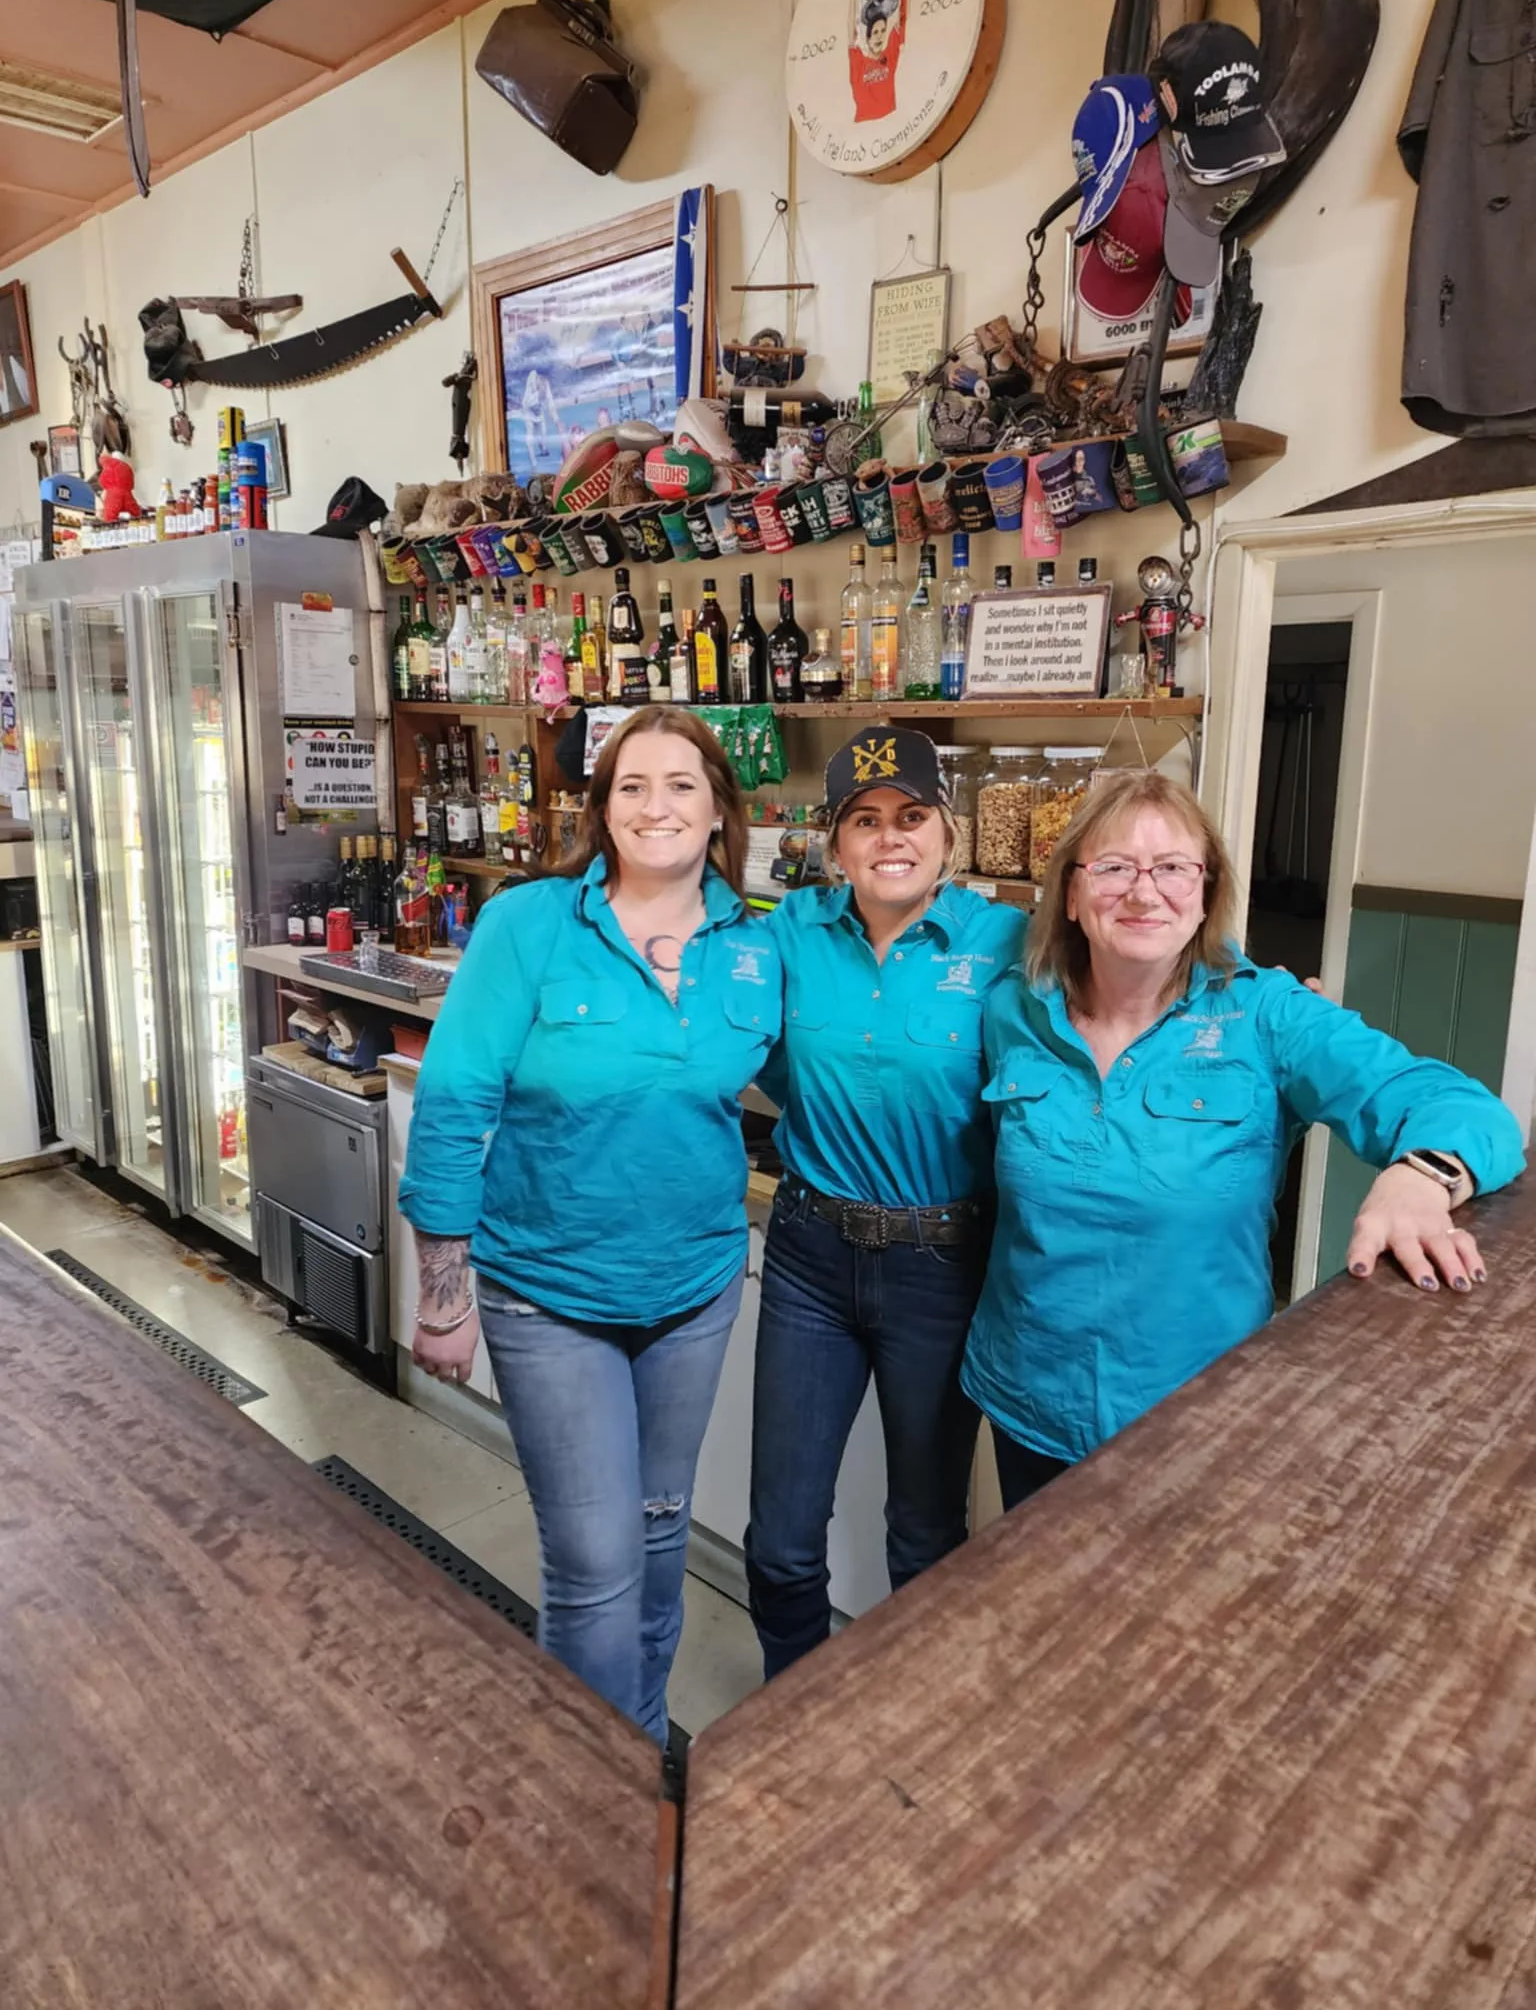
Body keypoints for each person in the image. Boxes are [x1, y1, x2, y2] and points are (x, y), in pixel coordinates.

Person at [962, 770, 1527, 1509]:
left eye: (1172, 868)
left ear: (1204, 895)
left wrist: (1421, 1175)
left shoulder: (1266, 1014)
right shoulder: (1013, 1008)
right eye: (1112, 867)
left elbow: (1459, 1105)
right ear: (1071, 894)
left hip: (1197, 1407)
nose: (1143, 892)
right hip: (1030, 1395)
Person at [398, 708, 781, 1745]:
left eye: (682, 785)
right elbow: (453, 1101)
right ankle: (592, 1787)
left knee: (661, 1538)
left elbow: (814, 1076)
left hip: (693, 1290)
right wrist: (443, 1300)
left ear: (717, 810)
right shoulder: (531, 925)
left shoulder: (757, 945)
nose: (657, 805)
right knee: (597, 1562)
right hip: (546, 1291)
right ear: (602, 808)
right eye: (632, 785)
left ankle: (644, 1746)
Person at [745, 727, 1026, 1677]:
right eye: (864, 821)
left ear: (948, 832)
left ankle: (911, 1732)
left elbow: (1155, 957)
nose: (890, 838)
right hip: (808, 1259)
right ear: (834, 844)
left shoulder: (1011, 941)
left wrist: (1251, 993)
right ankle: (790, 1714)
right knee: (781, 1538)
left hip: (944, 1271)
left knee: (923, 1533)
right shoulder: (789, 931)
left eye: (911, 816)